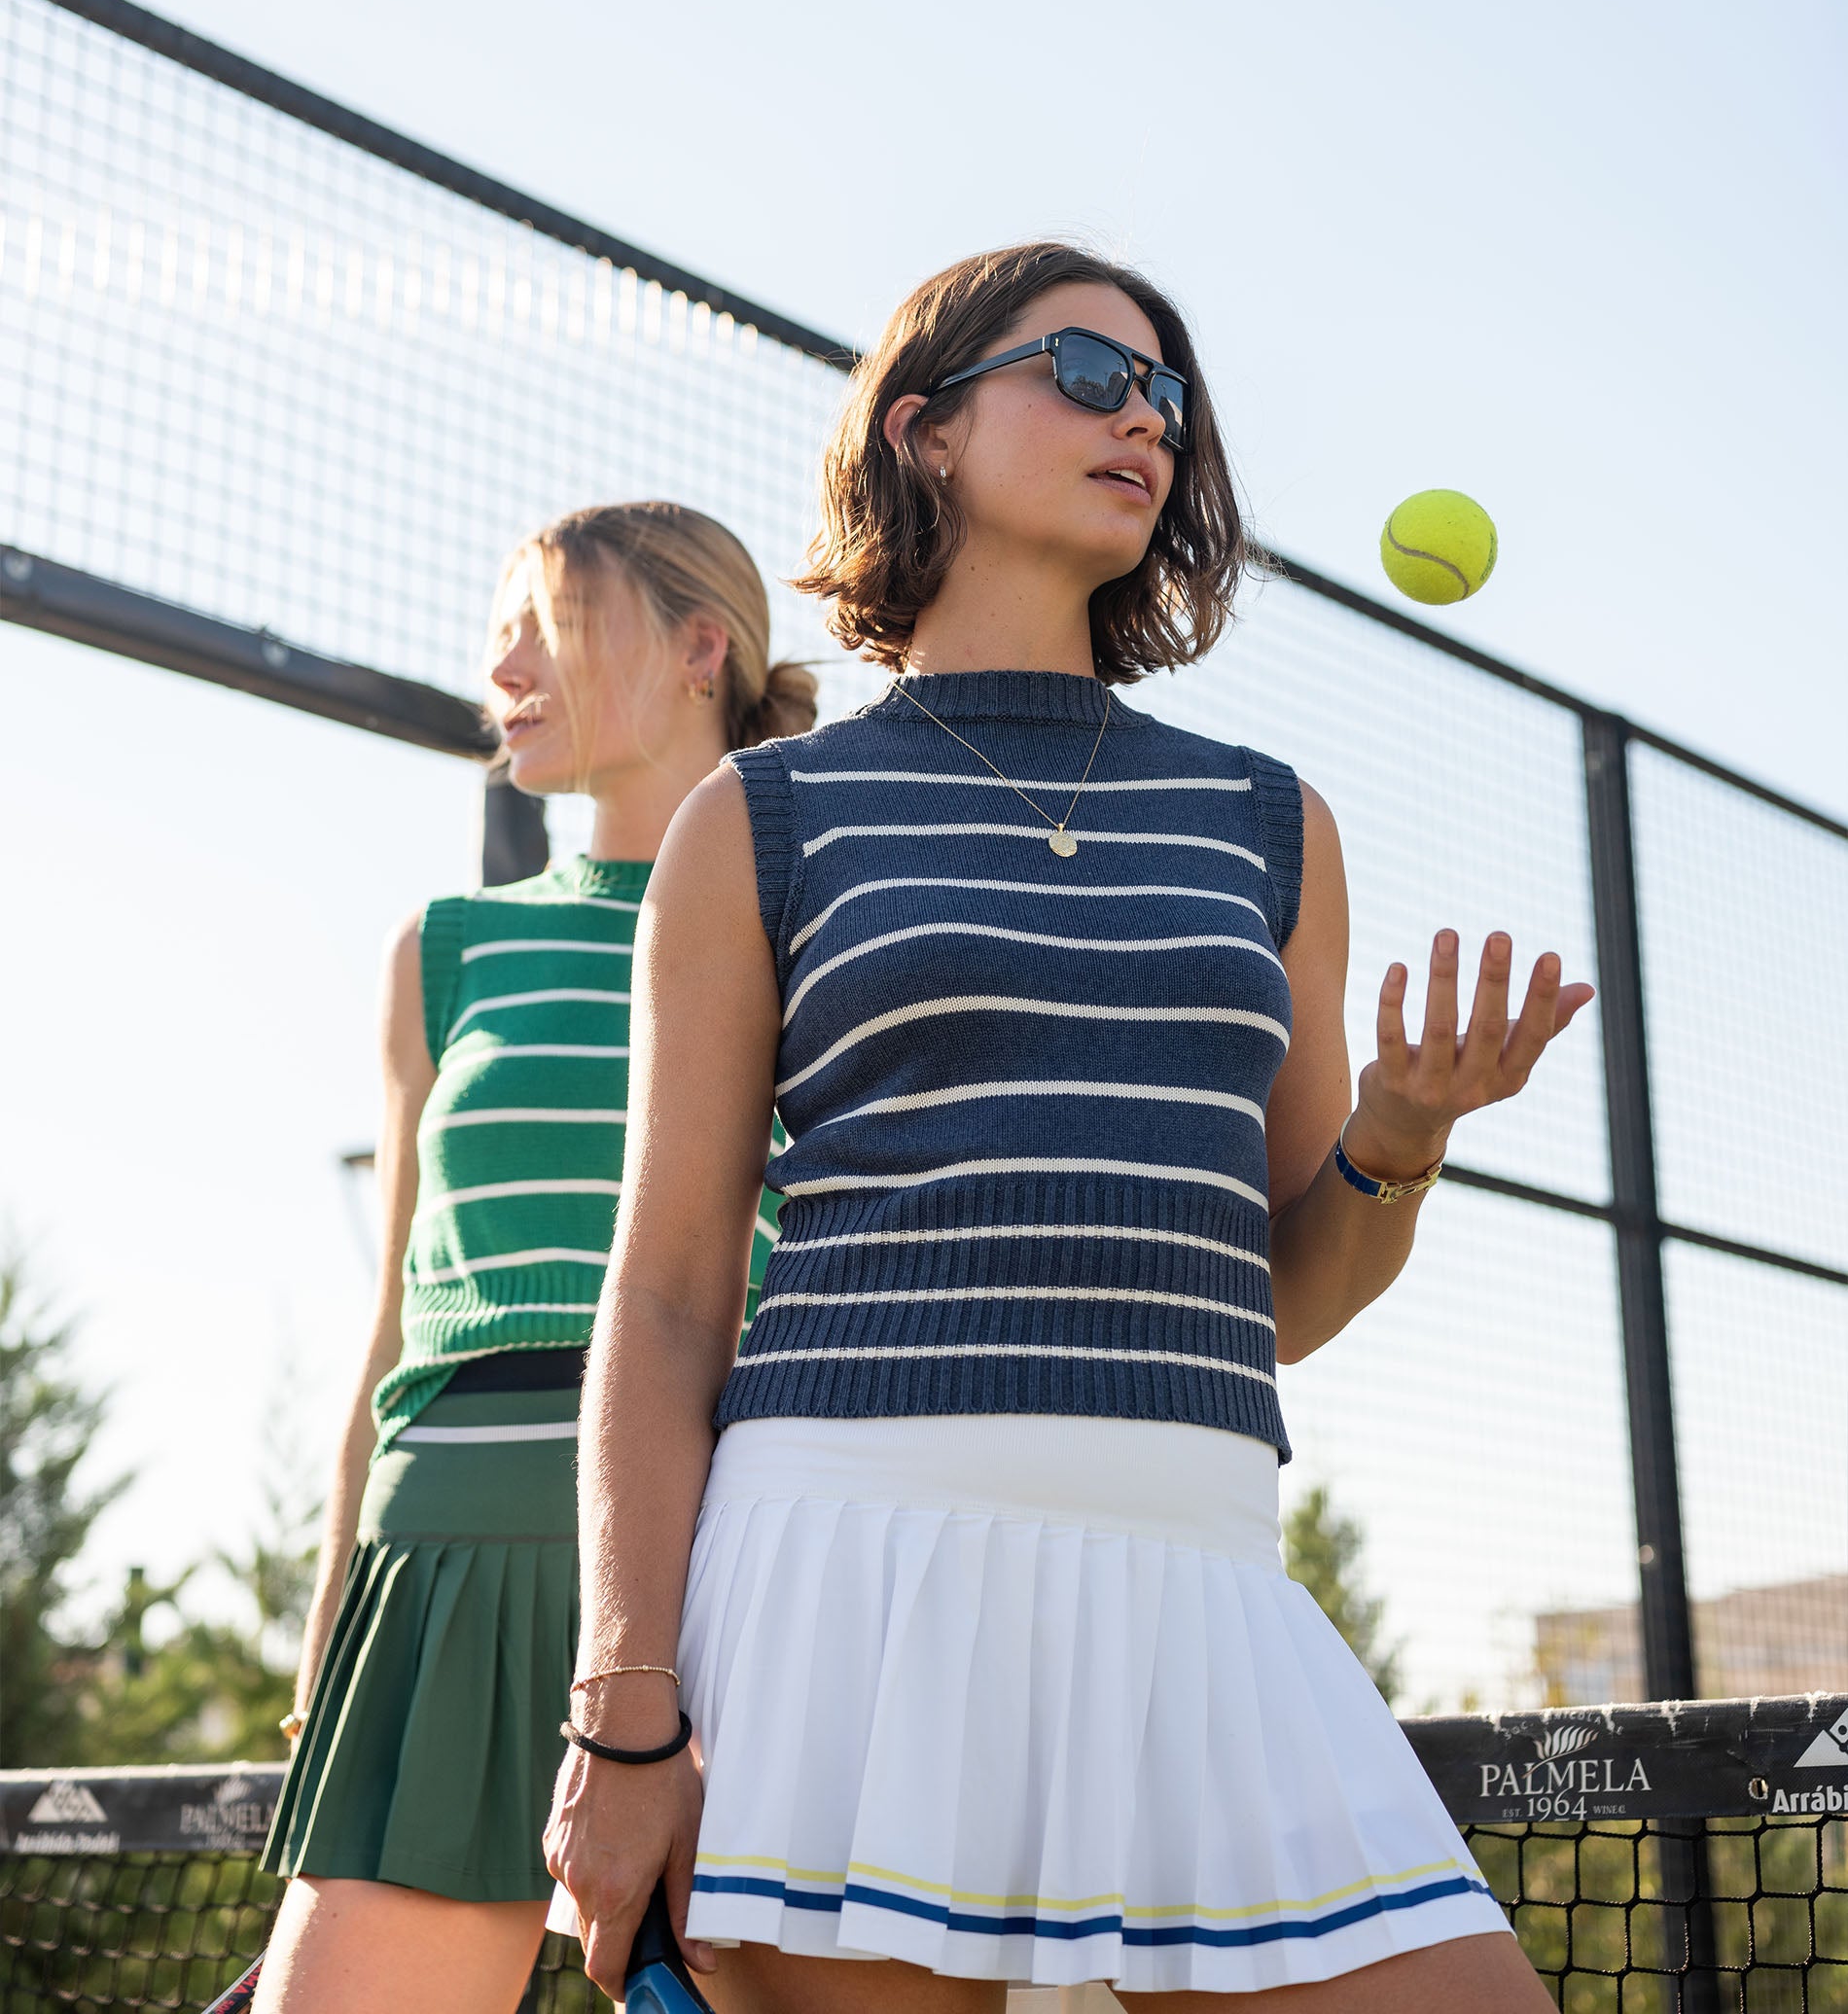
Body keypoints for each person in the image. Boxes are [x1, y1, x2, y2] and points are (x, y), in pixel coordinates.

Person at [544, 242, 1591, 2013]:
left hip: (1201, 1586)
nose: (1147, 424)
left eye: (1167, 396)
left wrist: (1402, 1137)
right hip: (843, 1589)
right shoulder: (763, 817)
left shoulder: (1271, 826)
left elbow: (1282, 1294)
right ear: (926, 432)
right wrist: (624, 1722)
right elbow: (660, 1302)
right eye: (1088, 377)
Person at [256, 503, 816, 2014]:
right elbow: (392, 1332)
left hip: (727, 1571)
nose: (500, 659)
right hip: (447, 1561)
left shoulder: (811, 932)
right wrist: (329, 1651)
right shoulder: (443, 949)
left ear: (704, 649)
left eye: (546, 617)